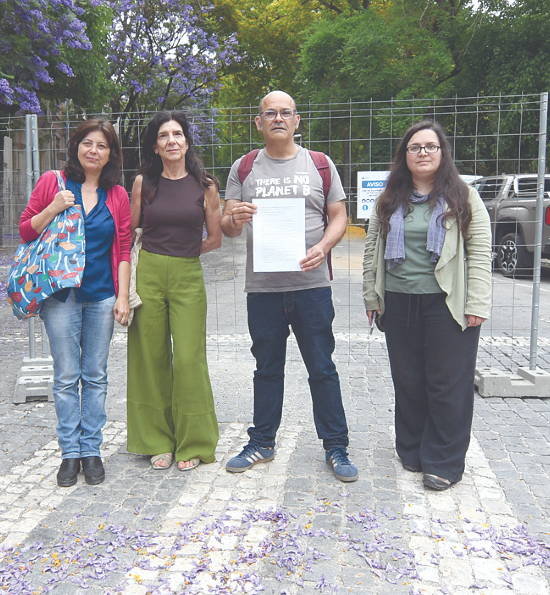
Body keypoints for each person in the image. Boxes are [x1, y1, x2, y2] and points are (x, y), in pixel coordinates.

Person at [220, 90, 358, 483]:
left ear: (297, 121)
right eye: (270, 113)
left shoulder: (320, 164)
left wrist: (323, 247)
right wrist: (235, 218)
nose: (278, 118)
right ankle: (262, 441)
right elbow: (228, 227)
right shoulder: (244, 167)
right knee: (267, 369)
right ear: (258, 122)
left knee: (322, 367)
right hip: (263, 290)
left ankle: (336, 446)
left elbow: (339, 216)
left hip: (311, 287)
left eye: (286, 112)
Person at [361, 120, 491, 492]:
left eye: (430, 146)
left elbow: (480, 253)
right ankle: (413, 449)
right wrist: (371, 295)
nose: (422, 153)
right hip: (399, 300)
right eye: (415, 147)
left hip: (447, 302)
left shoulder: (463, 196)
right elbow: (372, 249)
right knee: (408, 380)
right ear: (405, 155)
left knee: (447, 382)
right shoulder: (389, 198)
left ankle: (444, 462)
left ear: (442, 152)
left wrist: (477, 301)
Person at [18, 118, 132, 488]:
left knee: (95, 376)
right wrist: (53, 207)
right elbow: (25, 230)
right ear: (76, 146)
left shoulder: (117, 195)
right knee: (66, 377)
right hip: (60, 298)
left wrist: (122, 297)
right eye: (87, 143)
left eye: (102, 145)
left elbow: (124, 248)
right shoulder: (53, 182)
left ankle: (91, 450)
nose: (93, 151)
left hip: (101, 296)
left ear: (111, 154)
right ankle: (70, 453)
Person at [126, 111, 223, 472]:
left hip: (187, 275)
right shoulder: (143, 183)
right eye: (164, 135)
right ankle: (156, 441)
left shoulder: (206, 186)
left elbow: (215, 239)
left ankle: (194, 442)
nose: (171, 141)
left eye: (177, 134)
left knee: (187, 359)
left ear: (186, 142)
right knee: (149, 357)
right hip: (148, 273)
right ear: (155, 146)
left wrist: (183, 252)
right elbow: (130, 232)